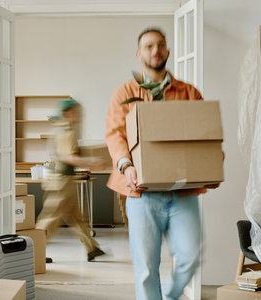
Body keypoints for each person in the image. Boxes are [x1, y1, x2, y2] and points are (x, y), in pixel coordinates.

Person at [105, 27, 219, 300]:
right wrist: (126, 164)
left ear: (168, 51)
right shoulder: (125, 93)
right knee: (145, 269)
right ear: (139, 53)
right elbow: (114, 134)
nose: (155, 50)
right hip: (142, 195)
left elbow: (205, 137)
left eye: (161, 45)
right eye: (148, 46)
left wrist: (213, 165)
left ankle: (168, 297)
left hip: (183, 193)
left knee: (191, 256)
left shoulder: (189, 92)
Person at [35, 99, 106, 262]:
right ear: (67, 113)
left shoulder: (61, 129)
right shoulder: (67, 131)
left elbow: (75, 153)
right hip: (61, 181)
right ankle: (33, 253)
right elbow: (69, 157)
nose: (79, 116)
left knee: (77, 218)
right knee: (50, 219)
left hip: (63, 180)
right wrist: (93, 163)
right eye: (76, 112)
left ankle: (92, 248)